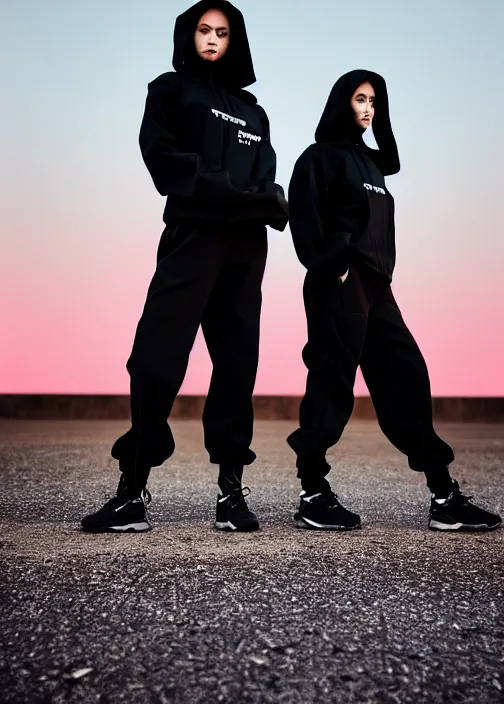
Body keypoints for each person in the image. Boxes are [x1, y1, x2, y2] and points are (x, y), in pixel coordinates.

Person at [81, 0, 288, 534]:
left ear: (235, 39)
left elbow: (269, 179)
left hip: (244, 250)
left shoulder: (253, 111)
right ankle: (131, 491)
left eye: (223, 31)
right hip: (191, 238)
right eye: (204, 29)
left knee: (237, 363)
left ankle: (230, 491)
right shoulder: (169, 90)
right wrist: (243, 194)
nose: (213, 38)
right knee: (154, 358)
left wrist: (257, 198)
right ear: (188, 34)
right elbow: (165, 161)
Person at [286, 69, 501, 532]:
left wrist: (380, 125)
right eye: (360, 99)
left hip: (377, 286)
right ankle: (312, 494)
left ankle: (443, 496)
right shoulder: (318, 158)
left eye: (374, 102)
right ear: (341, 101)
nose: (368, 108)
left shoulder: (372, 167)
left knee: (406, 376)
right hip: (338, 281)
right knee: (331, 383)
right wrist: (335, 263)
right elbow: (303, 218)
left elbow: (390, 162)